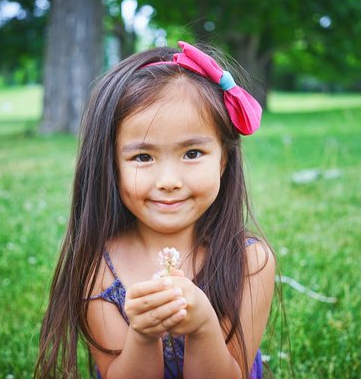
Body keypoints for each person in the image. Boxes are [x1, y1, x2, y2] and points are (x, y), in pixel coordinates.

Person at [35, 41, 275, 379]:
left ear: (223, 158)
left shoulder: (250, 261)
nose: (168, 181)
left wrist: (203, 325)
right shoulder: (99, 266)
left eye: (192, 153)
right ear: (111, 165)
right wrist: (143, 334)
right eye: (143, 157)